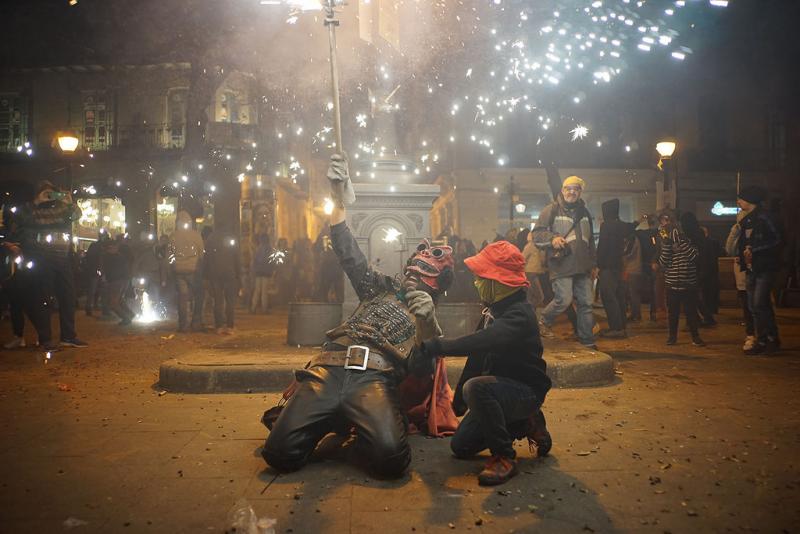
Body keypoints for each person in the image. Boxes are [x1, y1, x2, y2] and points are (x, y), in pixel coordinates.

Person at [261, 154, 455, 478]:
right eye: (417, 259)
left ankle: (343, 424)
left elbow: (420, 373)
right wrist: (339, 200)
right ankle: (336, 420)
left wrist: (427, 324)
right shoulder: (380, 287)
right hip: (328, 369)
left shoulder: (430, 321)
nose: (416, 265)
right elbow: (348, 252)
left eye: (427, 264)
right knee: (279, 454)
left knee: (392, 460)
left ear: (437, 284)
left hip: (373, 379)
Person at [413, 241, 552, 486]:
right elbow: (477, 357)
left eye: (482, 277)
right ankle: (524, 423)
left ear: (499, 282)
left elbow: (481, 341)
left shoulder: (520, 314)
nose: (477, 283)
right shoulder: (493, 309)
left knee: (476, 388)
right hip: (499, 390)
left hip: (524, 392)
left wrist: (438, 346)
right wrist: (457, 406)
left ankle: (504, 457)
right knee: (460, 446)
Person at [17, 181, 87, 347]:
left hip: (63, 258)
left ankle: (68, 337)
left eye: (52, 193)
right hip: (42, 258)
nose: (50, 196)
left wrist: (69, 202)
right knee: (44, 299)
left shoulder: (62, 208)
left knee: (68, 297)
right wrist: (37, 202)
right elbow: (20, 218)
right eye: (46, 193)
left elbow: (77, 215)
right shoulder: (33, 210)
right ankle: (45, 339)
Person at [533, 175, 597, 349]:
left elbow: (589, 241)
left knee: (586, 304)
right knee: (563, 299)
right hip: (562, 264)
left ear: (580, 192)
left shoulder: (585, 213)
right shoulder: (551, 210)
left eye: (576, 189)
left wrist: (593, 264)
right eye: (569, 188)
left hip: (582, 266)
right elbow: (537, 234)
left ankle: (587, 342)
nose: (572, 192)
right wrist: (552, 239)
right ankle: (542, 320)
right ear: (562, 190)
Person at [736, 186, 782, 354]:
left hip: (764, 267)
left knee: (759, 304)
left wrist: (754, 249)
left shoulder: (765, 218)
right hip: (751, 268)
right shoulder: (747, 220)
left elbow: (777, 239)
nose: (738, 201)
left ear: (750, 200)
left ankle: (767, 339)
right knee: (755, 305)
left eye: (741, 198)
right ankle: (766, 338)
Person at [658, 212, 705, 346]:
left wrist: (680, 242)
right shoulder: (664, 238)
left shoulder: (689, 237)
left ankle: (695, 337)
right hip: (672, 283)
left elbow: (694, 256)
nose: (665, 224)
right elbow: (663, 262)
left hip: (688, 282)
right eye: (662, 221)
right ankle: (672, 337)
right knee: (673, 313)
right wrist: (667, 245)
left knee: (691, 312)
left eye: (667, 220)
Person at [596, 199, 638, 338]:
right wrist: (640, 220)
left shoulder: (606, 226)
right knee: (618, 296)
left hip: (607, 266)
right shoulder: (621, 225)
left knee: (608, 296)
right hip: (618, 266)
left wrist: (598, 265)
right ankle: (622, 327)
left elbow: (602, 247)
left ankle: (616, 328)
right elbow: (632, 226)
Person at [726, 211, 756, 351]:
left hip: (757, 271)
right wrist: (735, 232)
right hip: (742, 275)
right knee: (747, 305)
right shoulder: (738, 231)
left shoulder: (757, 229)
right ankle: (751, 334)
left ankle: (761, 334)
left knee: (757, 304)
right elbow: (729, 250)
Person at [170, 210, 204, 332]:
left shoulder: (173, 236)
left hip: (178, 270)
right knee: (198, 295)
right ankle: (196, 321)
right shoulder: (195, 235)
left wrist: (174, 265)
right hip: (193, 269)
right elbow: (201, 252)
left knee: (182, 297)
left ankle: (183, 324)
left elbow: (169, 254)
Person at [205, 228, 241, 334]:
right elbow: (237, 258)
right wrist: (238, 274)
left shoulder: (211, 239)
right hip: (230, 273)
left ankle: (219, 326)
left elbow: (207, 258)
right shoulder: (232, 238)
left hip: (215, 274)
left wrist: (207, 275)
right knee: (230, 301)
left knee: (218, 301)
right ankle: (230, 326)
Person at [101, 239, 135, 326]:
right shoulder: (119, 257)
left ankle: (126, 318)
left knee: (113, 303)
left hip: (116, 281)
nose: (111, 249)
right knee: (119, 300)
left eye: (112, 247)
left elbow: (106, 269)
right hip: (121, 280)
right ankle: (130, 314)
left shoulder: (109, 257)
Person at [697, 226, 722, 327]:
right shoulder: (713, 242)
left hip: (704, 273)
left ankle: (707, 318)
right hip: (711, 272)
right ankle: (709, 315)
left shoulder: (701, 244)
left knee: (701, 296)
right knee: (708, 295)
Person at [251, 233, 275, 313]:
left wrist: (254, 270)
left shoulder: (258, 248)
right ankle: (264, 308)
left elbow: (254, 260)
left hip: (258, 272)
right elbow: (271, 261)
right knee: (264, 291)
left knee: (257, 290)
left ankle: (253, 307)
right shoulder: (269, 248)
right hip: (266, 271)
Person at [522, 230, 546, 309]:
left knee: (531, 297)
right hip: (530, 273)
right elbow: (522, 258)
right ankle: (530, 312)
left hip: (531, 273)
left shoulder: (537, 245)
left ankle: (530, 315)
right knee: (539, 297)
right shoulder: (531, 245)